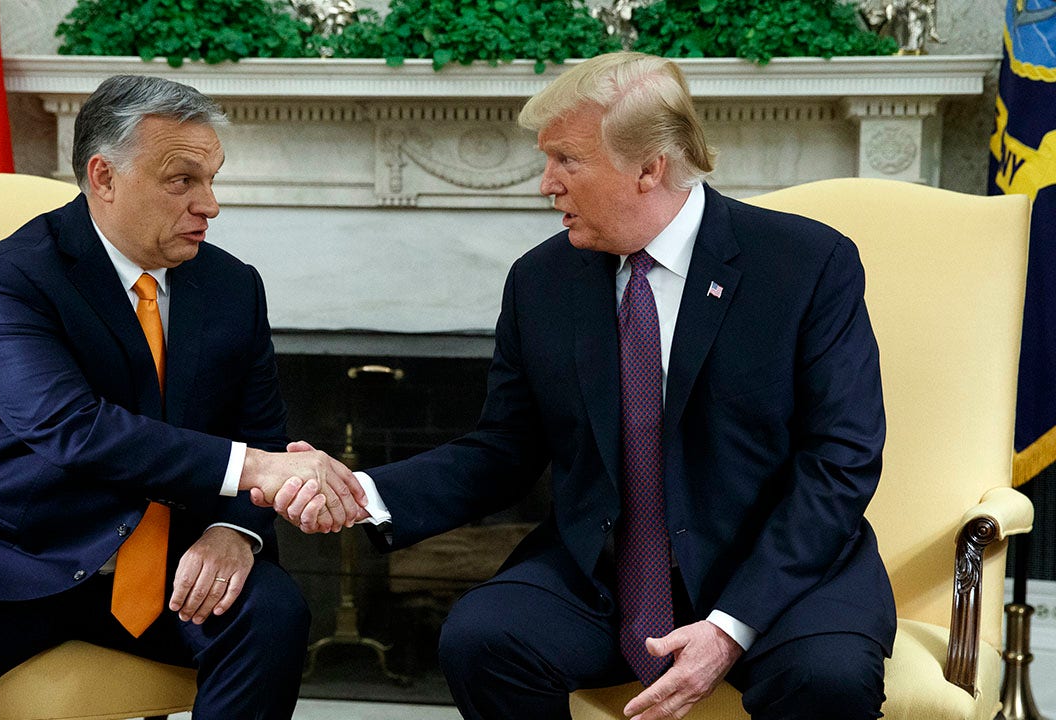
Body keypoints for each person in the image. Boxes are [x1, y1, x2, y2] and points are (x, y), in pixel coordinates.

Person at [276, 52, 896, 719]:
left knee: (828, 678)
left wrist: (728, 627)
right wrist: (362, 492)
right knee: (483, 639)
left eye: (566, 160)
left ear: (649, 168)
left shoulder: (806, 263)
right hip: (605, 573)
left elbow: (840, 460)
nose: (546, 184)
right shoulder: (541, 281)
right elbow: (503, 449)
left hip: (775, 573)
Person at [0, 74, 367, 720]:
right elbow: (74, 429)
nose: (211, 205)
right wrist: (260, 469)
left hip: (171, 564)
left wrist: (233, 530)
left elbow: (262, 431)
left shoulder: (233, 287)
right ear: (103, 177)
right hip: (7, 552)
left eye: (212, 179)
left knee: (272, 616)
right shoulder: (9, 279)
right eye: (183, 180)